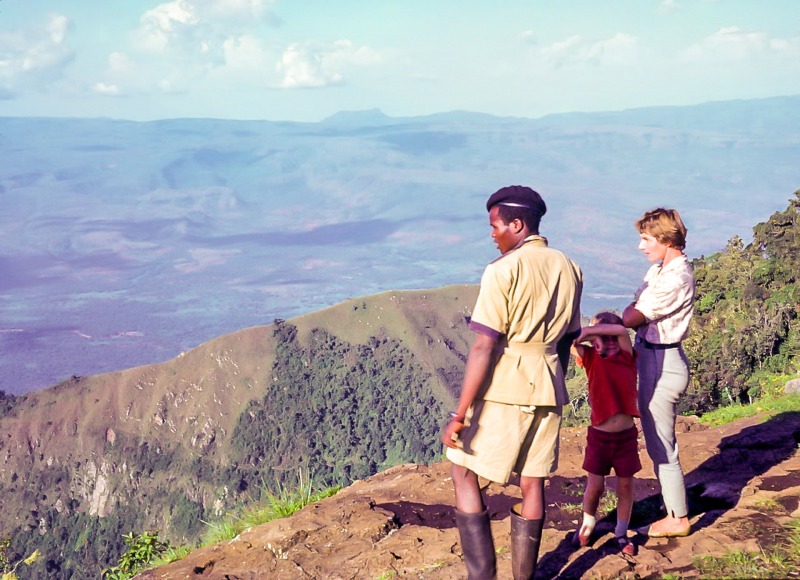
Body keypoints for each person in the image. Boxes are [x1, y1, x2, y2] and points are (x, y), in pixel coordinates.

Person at [441, 185, 583, 580]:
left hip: (506, 387)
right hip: (550, 383)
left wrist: (460, 412)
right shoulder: (569, 266)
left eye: (496, 225)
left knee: (463, 472)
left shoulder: (502, 270)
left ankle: (481, 577)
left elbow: (484, 346)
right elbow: (570, 336)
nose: (492, 234)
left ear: (517, 225)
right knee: (532, 483)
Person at [622, 208, 695, 538]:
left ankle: (677, 518)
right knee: (658, 443)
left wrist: (628, 313)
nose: (640, 246)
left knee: (662, 447)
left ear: (666, 240)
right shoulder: (659, 270)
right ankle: (674, 509)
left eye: (646, 239)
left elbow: (632, 316)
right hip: (653, 359)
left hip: (661, 364)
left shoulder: (674, 277)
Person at [570, 312, 641, 556]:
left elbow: (623, 333)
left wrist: (597, 332)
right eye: (603, 337)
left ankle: (621, 532)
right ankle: (588, 522)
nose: (609, 341)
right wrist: (593, 336)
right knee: (595, 487)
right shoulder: (589, 358)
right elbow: (569, 340)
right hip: (599, 438)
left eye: (612, 337)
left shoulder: (627, 357)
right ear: (593, 341)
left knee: (625, 486)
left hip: (626, 437)